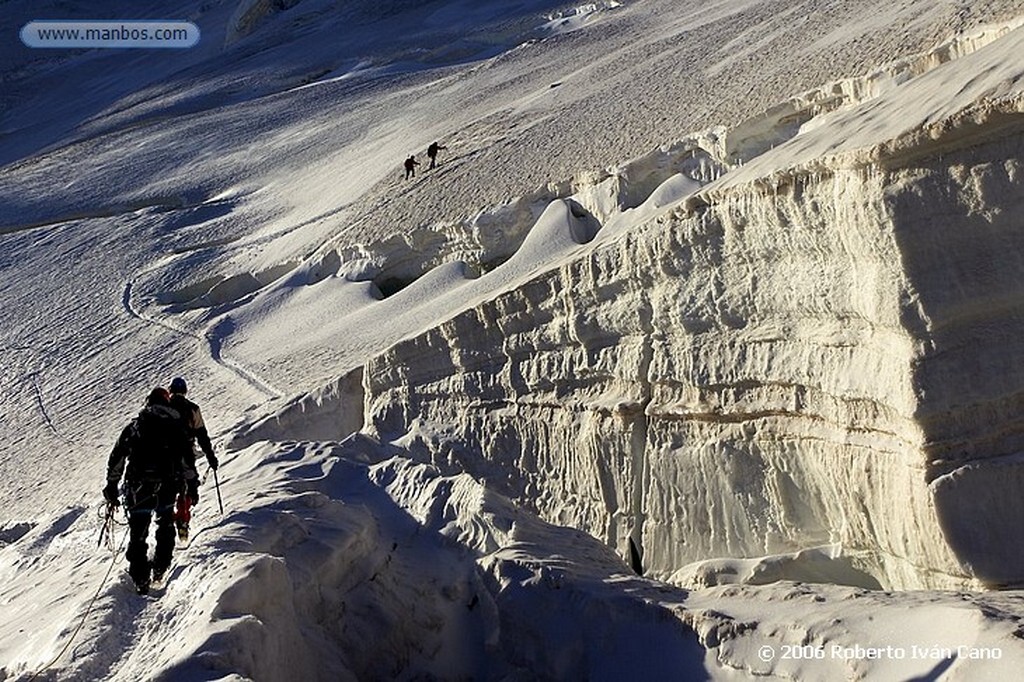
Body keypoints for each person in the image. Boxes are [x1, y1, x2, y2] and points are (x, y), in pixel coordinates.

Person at [103, 387, 190, 594]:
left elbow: (118, 457)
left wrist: (111, 485)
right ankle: (160, 567)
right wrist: (186, 484)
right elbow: (186, 459)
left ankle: (140, 578)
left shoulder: (135, 426)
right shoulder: (175, 427)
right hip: (167, 486)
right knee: (165, 524)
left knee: (138, 532)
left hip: (138, 488)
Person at [168, 377, 219, 543]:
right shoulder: (193, 409)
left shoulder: (163, 408)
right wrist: (210, 457)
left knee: (168, 488)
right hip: (187, 454)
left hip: (166, 456)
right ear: (185, 391)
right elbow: (202, 435)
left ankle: (169, 520)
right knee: (190, 486)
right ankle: (183, 517)